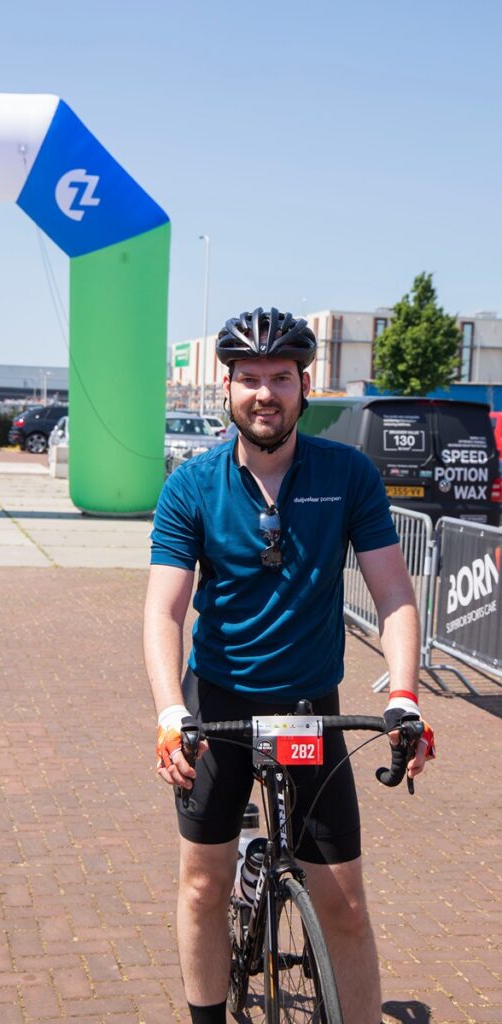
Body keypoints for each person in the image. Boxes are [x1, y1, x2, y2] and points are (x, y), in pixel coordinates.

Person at [143, 307, 435, 1024]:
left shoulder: (346, 475)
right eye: (249, 378)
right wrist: (170, 712)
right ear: (227, 388)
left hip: (310, 711)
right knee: (203, 884)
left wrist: (403, 696)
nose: (264, 393)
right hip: (216, 705)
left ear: (305, 385)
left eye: (280, 377)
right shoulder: (192, 486)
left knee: (345, 904)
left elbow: (394, 594)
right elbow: (164, 611)